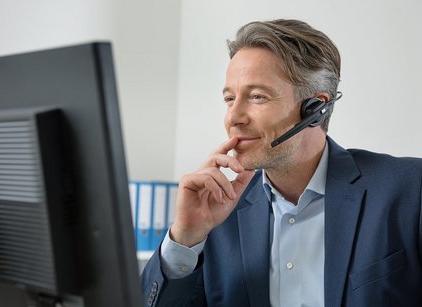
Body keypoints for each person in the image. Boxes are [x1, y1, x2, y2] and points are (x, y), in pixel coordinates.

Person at [141, 19, 422, 307]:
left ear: (315, 109)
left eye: (257, 97)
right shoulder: (215, 213)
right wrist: (185, 239)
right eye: (229, 98)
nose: (233, 117)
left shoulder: (409, 190)